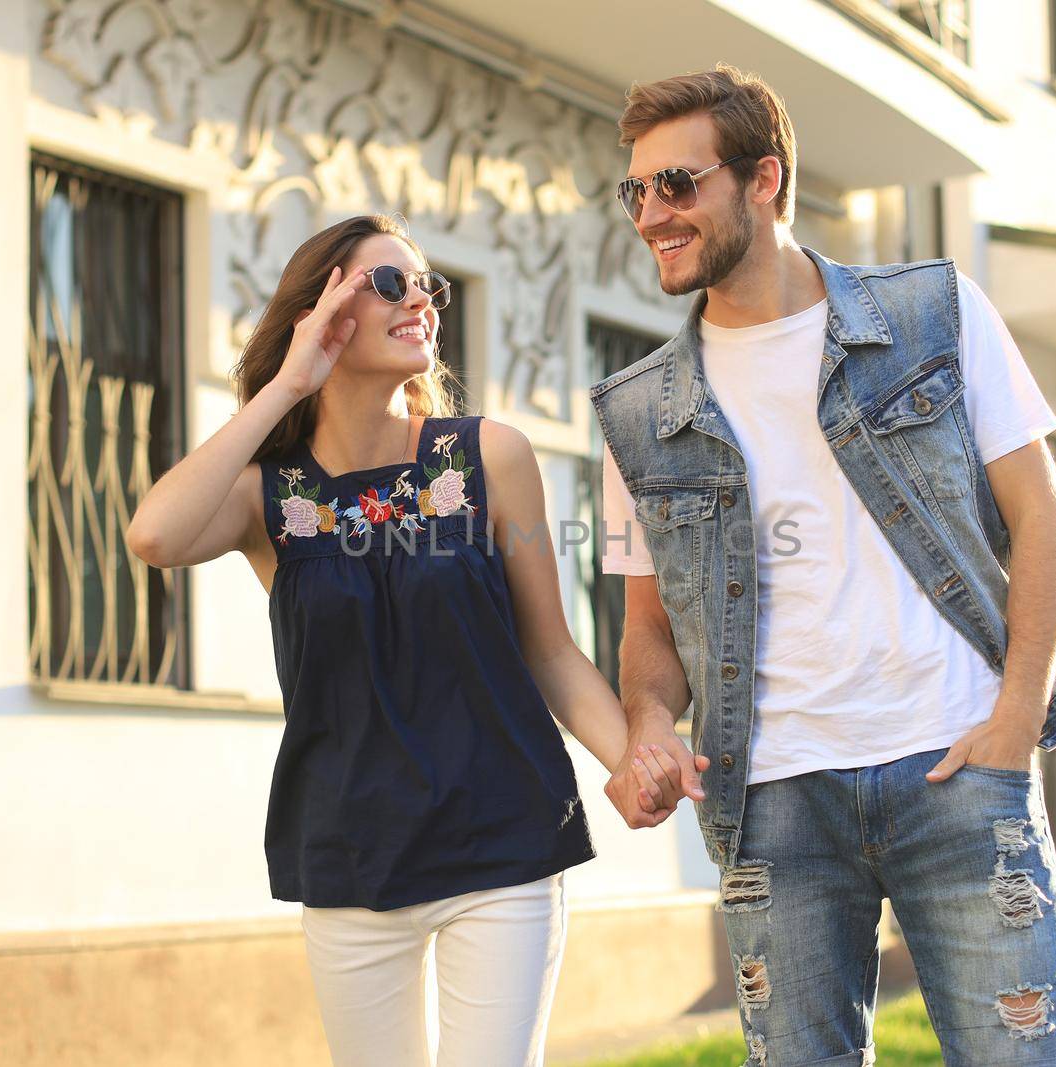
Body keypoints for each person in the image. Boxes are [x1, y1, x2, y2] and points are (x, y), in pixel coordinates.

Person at [592, 66, 1056, 1066]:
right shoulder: (635, 412)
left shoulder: (931, 314)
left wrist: (1013, 719)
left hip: (954, 760)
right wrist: (647, 722)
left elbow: (1043, 515)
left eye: (678, 185)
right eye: (637, 191)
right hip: (773, 798)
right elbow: (648, 624)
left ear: (763, 179)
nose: (652, 213)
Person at [126, 214, 677, 1067]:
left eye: (429, 285)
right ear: (322, 314)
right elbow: (154, 537)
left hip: (502, 838)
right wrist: (284, 383)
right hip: (351, 853)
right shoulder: (274, 498)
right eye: (389, 283)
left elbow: (551, 652)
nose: (420, 298)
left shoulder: (487, 457)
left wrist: (629, 760)